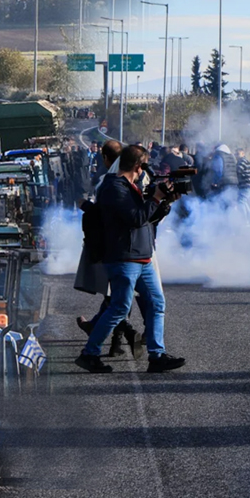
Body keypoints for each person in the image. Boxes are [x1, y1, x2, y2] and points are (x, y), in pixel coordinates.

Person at [75, 145, 185, 374]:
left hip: (140, 256)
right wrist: (156, 197)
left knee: (156, 303)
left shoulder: (128, 187)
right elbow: (135, 218)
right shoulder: (115, 188)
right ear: (138, 165)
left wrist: (165, 203)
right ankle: (89, 354)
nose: (144, 171)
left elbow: (147, 219)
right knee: (119, 307)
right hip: (124, 257)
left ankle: (157, 356)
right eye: (144, 166)